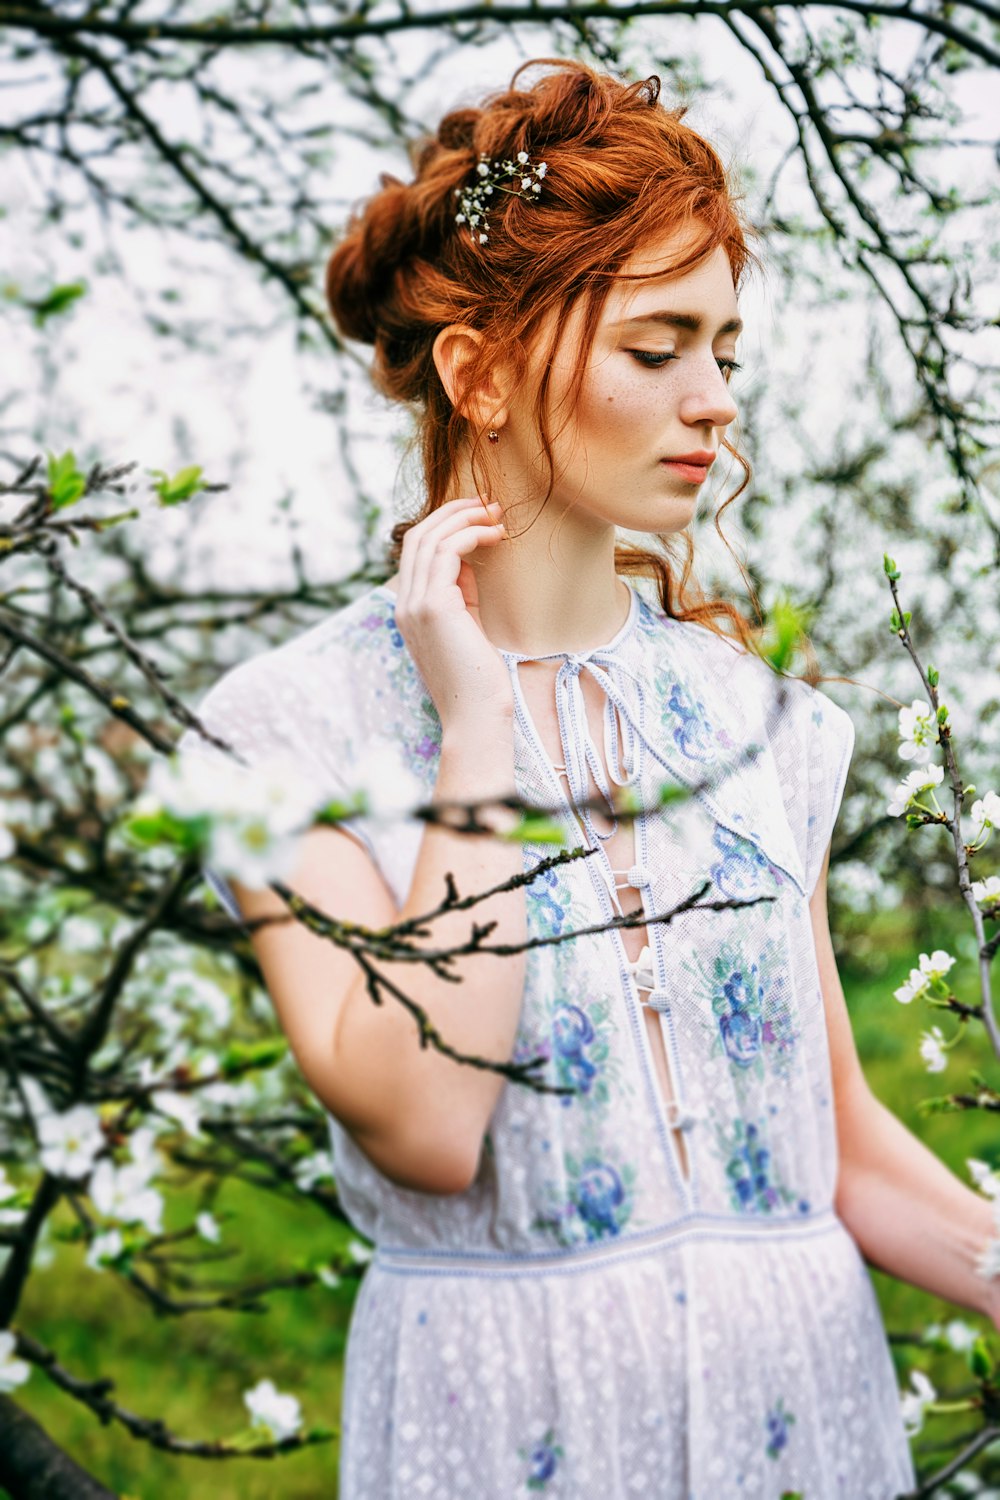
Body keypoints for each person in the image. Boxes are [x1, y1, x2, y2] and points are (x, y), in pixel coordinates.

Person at [177, 58, 999, 1499]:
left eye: (726, 352)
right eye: (657, 345)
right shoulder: (272, 741)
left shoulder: (761, 726)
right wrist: (475, 724)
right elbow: (429, 1127)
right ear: (480, 374)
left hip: (802, 1418)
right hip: (508, 1427)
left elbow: (838, 1149)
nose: (713, 403)